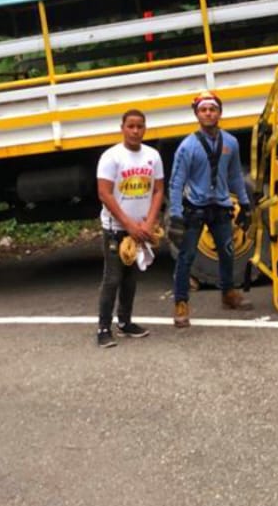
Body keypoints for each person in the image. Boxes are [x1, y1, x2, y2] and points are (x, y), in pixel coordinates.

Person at [168, 90, 255, 327]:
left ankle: (228, 294)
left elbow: (235, 175)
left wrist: (245, 204)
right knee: (186, 257)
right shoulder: (187, 146)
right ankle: (181, 303)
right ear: (197, 114)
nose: (208, 113)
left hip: (220, 206)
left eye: (212, 109)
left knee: (228, 252)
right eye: (203, 110)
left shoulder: (231, 143)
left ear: (219, 112)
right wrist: (175, 216)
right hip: (195, 207)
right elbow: (176, 182)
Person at [95, 108, 165, 348]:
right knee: (112, 278)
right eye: (131, 126)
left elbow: (157, 190)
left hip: (141, 228)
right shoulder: (111, 157)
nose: (135, 131)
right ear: (122, 128)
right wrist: (128, 224)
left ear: (145, 128)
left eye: (140, 126)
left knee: (131, 278)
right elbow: (104, 193)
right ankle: (103, 328)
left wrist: (149, 223)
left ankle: (125, 322)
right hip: (116, 228)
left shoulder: (153, 156)